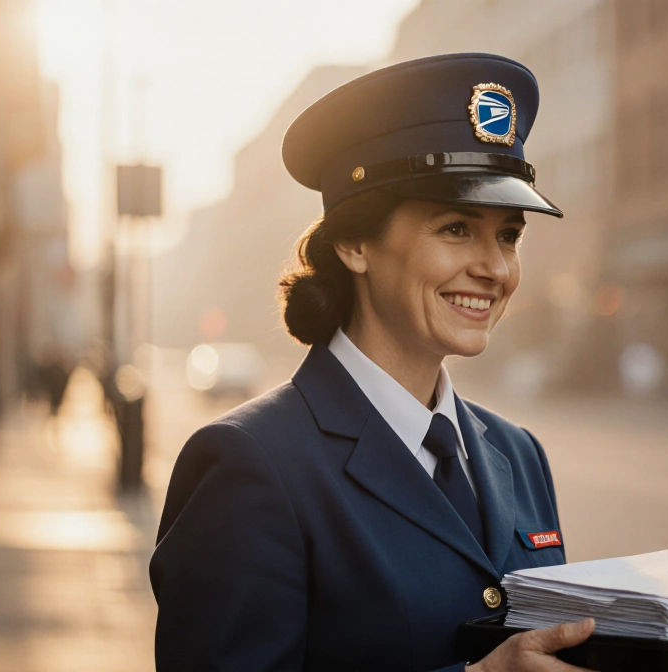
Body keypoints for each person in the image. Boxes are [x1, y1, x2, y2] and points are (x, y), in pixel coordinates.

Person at [150, 53, 595, 671]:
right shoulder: (250, 465)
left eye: (509, 235)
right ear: (354, 243)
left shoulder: (519, 456)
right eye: (457, 229)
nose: (494, 267)